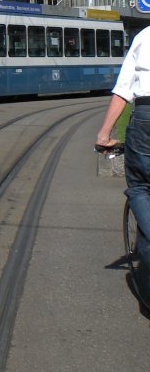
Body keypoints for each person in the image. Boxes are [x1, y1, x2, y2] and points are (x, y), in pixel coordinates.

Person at [96, 25, 150, 304]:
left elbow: (123, 91)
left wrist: (104, 134)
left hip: (146, 115)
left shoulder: (144, 36)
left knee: (141, 186)